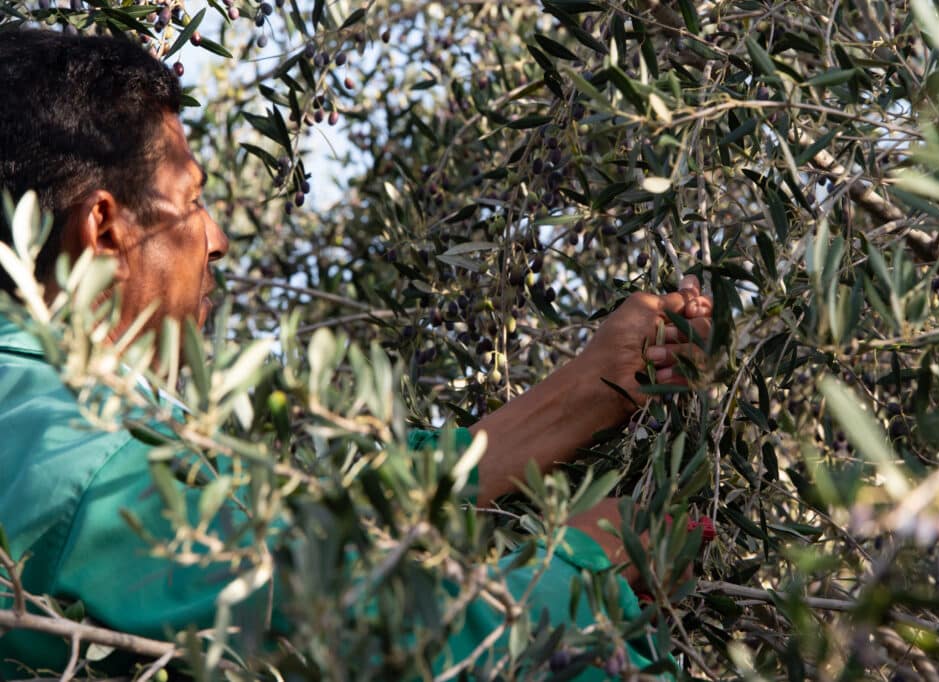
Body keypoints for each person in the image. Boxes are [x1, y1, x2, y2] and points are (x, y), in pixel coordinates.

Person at [0, 30, 713, 679]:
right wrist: (581, 571)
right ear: (103, 227)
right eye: (191, 200)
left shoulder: (56, 411)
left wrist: (588, 388)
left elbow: (329, 510)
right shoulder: (60, 452)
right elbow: (339, 615)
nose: (214, 238)